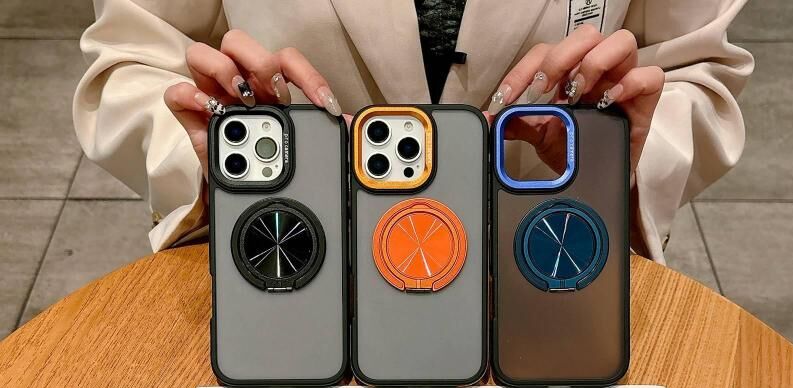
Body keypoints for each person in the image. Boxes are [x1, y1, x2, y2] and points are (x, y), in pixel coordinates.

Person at [73, 0, 753, 260]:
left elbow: (694, 67)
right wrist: (220, 152)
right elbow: (134, 57)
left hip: (548, 260)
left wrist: (625, 154)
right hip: (293, 256)